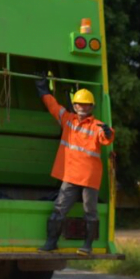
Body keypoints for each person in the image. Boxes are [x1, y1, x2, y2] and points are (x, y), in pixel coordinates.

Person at [36, 77, 114, 255]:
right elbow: (52, 106)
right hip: (71, 176)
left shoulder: (97, 126)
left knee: (90, 212)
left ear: (92, 107)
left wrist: (109, 133)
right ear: (74, 105)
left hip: (88, 178)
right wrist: (43, 89)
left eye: (85, 104)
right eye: (78, 104)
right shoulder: (67, 120)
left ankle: (87, 246)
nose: (82, 107)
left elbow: (106, 137)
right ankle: (51, 243)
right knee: (58, 209)